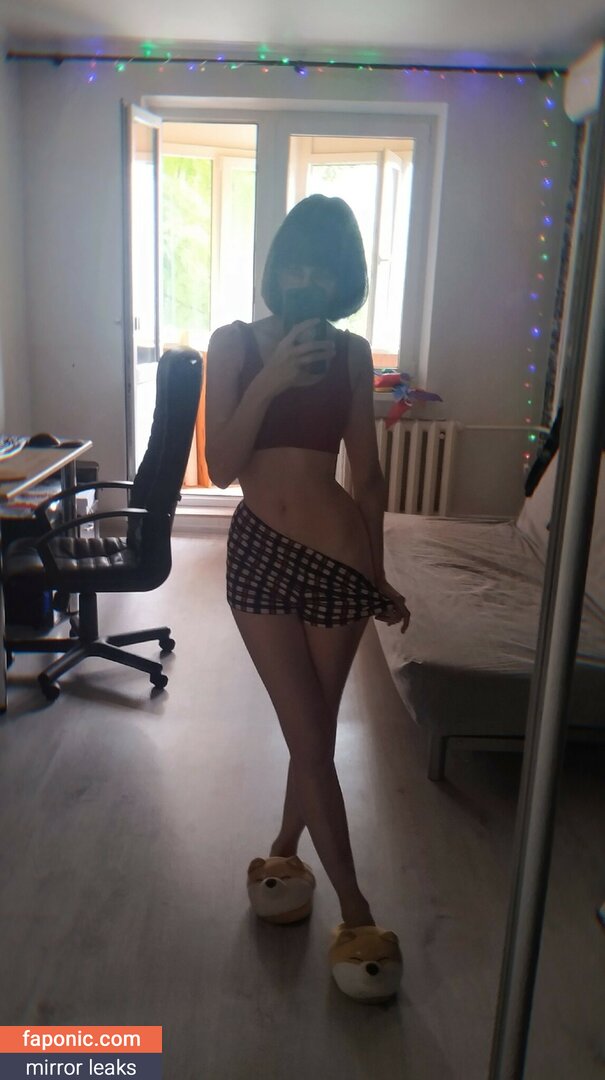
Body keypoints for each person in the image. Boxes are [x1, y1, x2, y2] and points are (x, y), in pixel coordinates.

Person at [205, 194, 410, 950]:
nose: (306, 281)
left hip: (340, 562)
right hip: (258, 554)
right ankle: (356, 912)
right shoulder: (232, 344)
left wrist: (377, 572)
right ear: (277, 266)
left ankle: (286, 850)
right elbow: (220, 467)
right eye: (296, 264)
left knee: (312, 733)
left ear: (342, 280)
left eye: (324, 271)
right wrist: (272, 378)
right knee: (312, 737)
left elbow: (369, 476)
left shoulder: (353, 355)